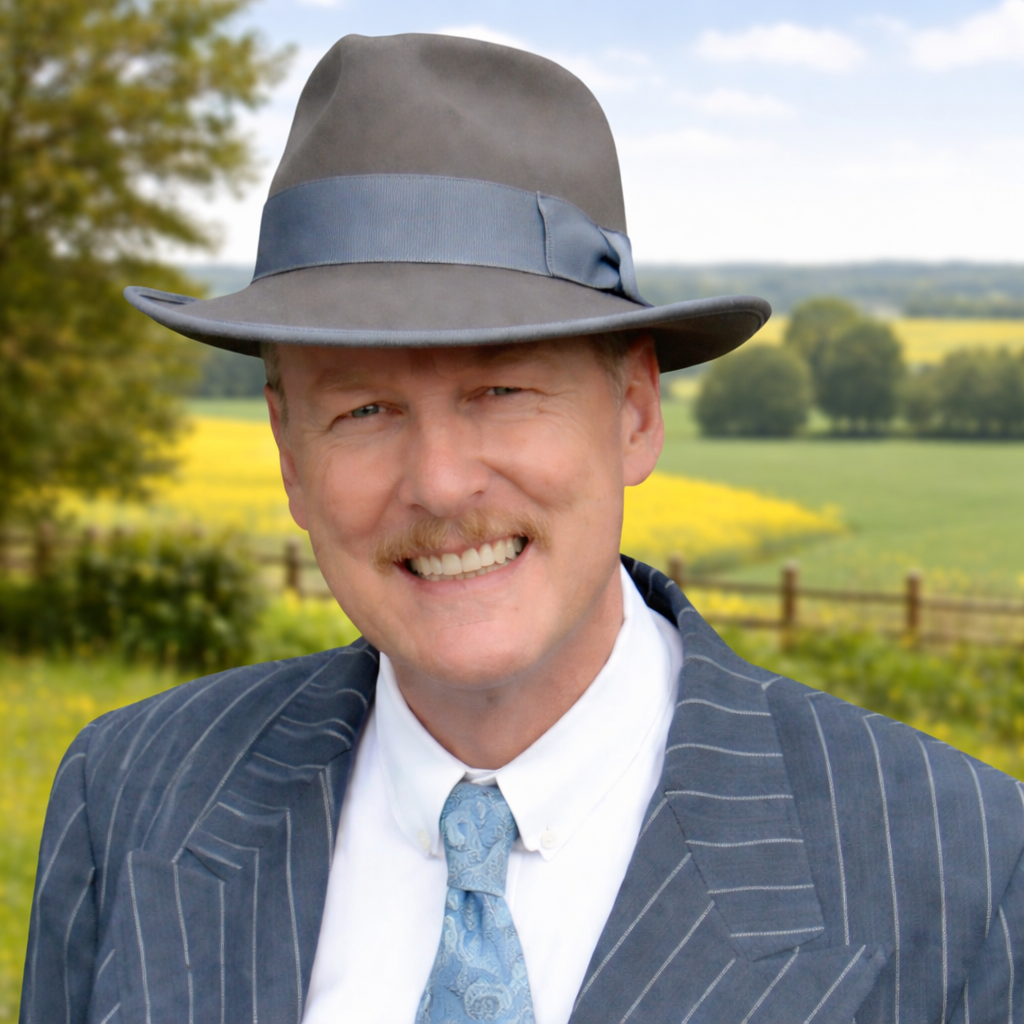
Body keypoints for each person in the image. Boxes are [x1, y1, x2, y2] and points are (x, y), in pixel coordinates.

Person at [21, 32, 1024, 1024]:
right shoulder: (129, 796)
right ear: (289, 452)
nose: (440, 483)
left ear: (635, 412)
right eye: (363, 408)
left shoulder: (961, 867)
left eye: (501, 390)